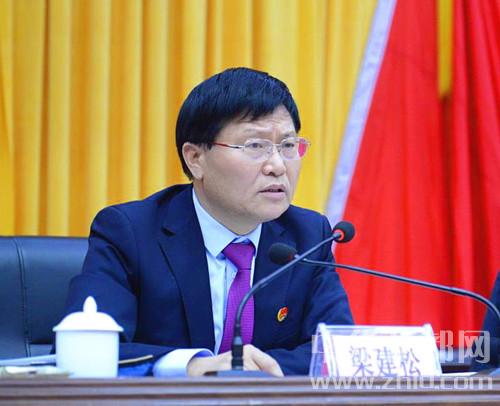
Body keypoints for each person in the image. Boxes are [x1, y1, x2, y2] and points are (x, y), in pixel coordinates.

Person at [63, 67, 353, 376]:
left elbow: (335, 350)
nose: (278, 165)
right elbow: (86, 351)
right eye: (255, 146)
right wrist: (192, 366)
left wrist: (250, 372)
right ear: (195, 159)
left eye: (288, 146)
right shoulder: (130, 233)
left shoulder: (308, 237)